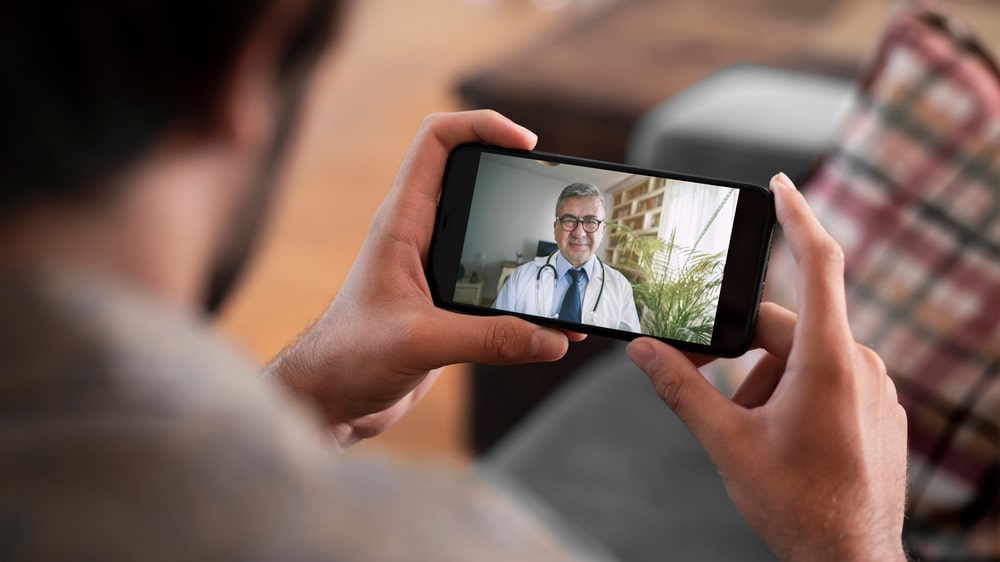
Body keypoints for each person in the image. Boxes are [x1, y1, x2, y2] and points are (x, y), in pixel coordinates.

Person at [0, 1, 908, 560]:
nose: (586, 231)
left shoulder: (628, 299)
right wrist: (850, 543)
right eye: (575, 221)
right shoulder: (443, 544)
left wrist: (307, 395)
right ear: (247, 71)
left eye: (597, 222)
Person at [493, 183, 641, 332]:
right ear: (555, 229)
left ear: (602, 231)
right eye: (569, 220)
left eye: (590, 222)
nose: (579, 233)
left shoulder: (621, 288)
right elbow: (497, 333)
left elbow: (627, 350)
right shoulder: (520, 278)